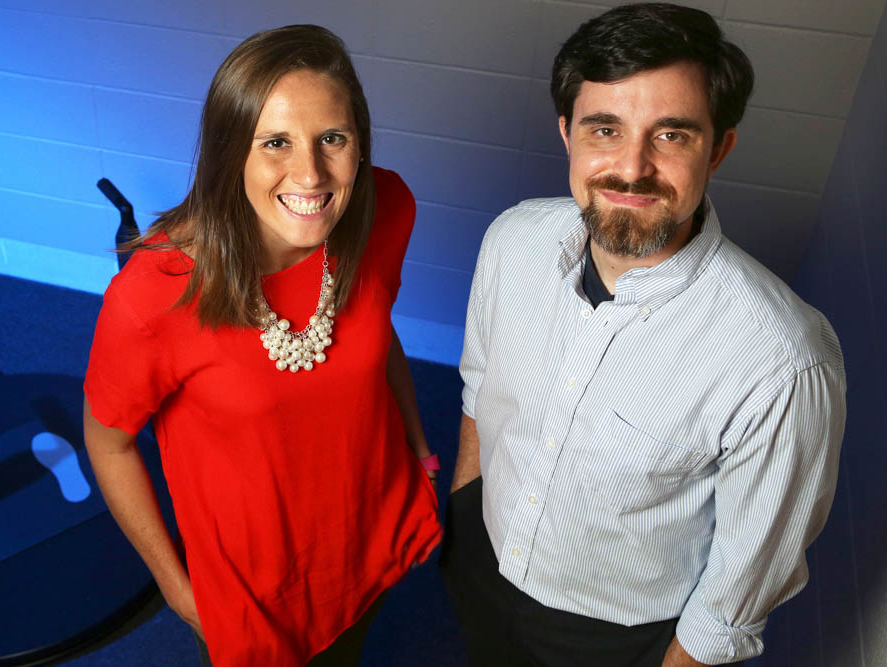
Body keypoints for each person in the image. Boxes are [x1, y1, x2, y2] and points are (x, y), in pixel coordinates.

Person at [442, 4, 846, 666]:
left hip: (612, 639)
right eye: (606, 128)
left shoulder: (784, 362)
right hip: (482, 560)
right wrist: (464, 510)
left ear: (718, 147)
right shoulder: (511, 240)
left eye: (672, 136)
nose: (632, 168)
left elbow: (730, 602)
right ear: (567, 134)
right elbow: (481, 389)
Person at [82, 24, 442, 666]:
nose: (310, 173)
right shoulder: (153, 294)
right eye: (275, 142)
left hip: (367, 533)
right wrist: (175, 587)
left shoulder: (385, 207)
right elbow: (108, 443)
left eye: (333, 138)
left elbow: (375, 323)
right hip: (255, 588)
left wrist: (415, 442)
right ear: (230, 153)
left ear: (359, 143)